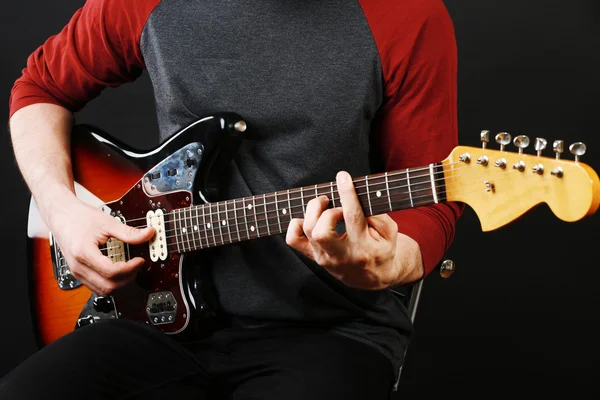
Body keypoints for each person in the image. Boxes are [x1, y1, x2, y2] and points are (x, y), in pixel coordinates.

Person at [1, 0, 463, 398]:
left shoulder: (406, 15)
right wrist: (61, 210)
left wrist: (387, 263)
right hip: (155, 316)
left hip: (330, 330)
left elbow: (435, 200)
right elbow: (39, 89)